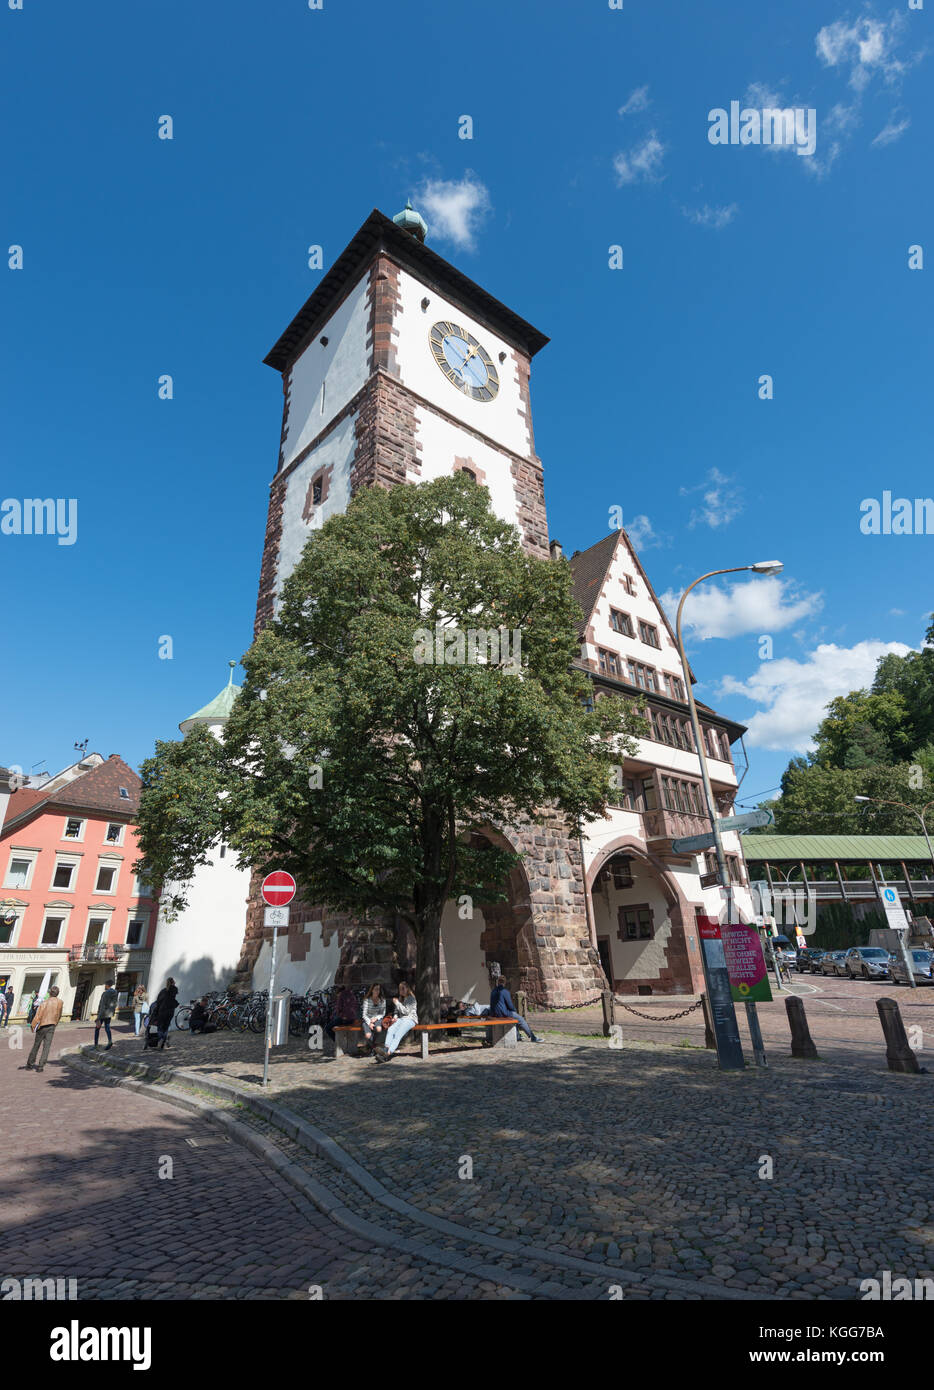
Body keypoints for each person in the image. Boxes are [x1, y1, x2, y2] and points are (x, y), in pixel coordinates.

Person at [489, 975, 543, 1042]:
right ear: (504, 983)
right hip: (503, 1014)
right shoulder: (504, 991)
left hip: (494, 1014)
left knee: (515, 1017)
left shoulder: (493, 991)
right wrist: (514, 1010)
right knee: (521, 1019)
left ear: (497, 982)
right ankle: (533, 1037)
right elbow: (510, 1005)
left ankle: (517, 1036)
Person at [376, 980, 418, 1062]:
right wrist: (395, 1017)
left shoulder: (411, 998)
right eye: (400, 989)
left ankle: (387, 1053)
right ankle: (386, 1049)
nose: (401, 991)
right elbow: (396, 1011)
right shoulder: (400, 999)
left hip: (411, 1019)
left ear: (407, 989)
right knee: (391, 1029)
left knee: (398, 1034)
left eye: (403, 988)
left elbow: (406, 1012)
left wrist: (397, 1003)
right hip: (401, 1019)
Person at [24, 985, 63, 1073]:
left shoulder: (45, 1003)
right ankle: (41, 1066)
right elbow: (59, 1014)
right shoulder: (60, 1002)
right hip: (52, 1025)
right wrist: (55, 1023)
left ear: (50, 993)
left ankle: (30, 1064)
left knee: (36, 1045)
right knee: (47, 1047)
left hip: (42, 1025)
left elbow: (38, 1016)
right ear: (57, 993)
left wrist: (33, 1026)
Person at [150, 977, 179, 1049]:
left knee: (160, 1026)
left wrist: (156, 1010)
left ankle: (161, 1039)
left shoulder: (163, 991)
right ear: (173, 983)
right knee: (166, 1026)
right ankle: (164, 1040)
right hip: (170, 1011)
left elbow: (158, 1001)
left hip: (162, 1011)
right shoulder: (174, 990)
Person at [360, 983, 390, 1054]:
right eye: (375, 989)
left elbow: (382, 1013)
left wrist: (376, 1018)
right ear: (372, 990)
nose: (377, 991)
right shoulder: (367, 1000)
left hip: (377, 1018)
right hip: (367, 1019)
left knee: (378, 1029)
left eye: (378, 989)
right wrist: (369, 1022)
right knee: (368, 1035)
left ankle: (370, 1048)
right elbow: (364, 1014)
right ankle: (373, 1048)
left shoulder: (382, 1000)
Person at [93, 979, 118, 1048]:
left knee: (97, 1028)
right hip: (109, 1014)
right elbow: (114, 1004)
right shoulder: (115, 993)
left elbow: (102, 1005)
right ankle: (110, 1041)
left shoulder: (106, 993)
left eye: (105, 985)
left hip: (103, 1013)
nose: (104, 986)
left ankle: (96, 1045)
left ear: (107, 985)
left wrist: (98, 1016)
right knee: (107, 1027)